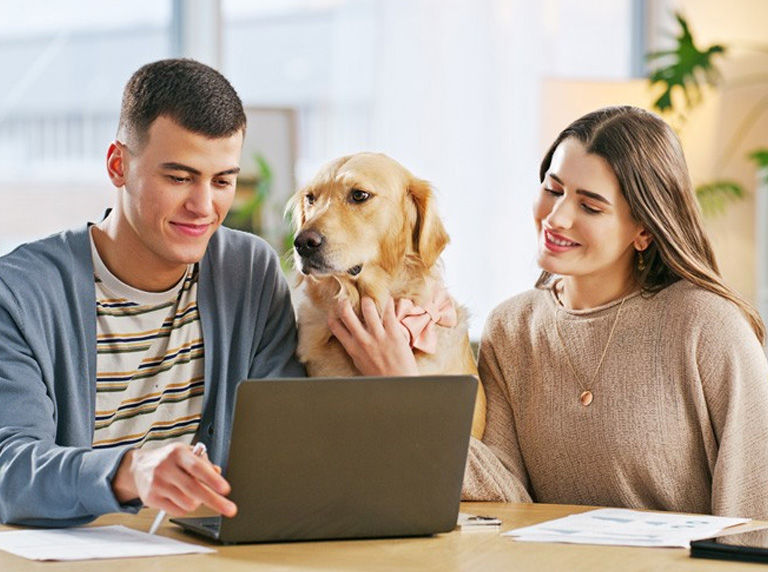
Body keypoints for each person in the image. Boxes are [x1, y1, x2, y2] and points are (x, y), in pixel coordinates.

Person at [334, 106, 768, 521]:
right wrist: (403, 388)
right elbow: (502, 494)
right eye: (553, 189)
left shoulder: (707, 326)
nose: (555, 218)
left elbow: (756, 509)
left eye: (590, 206)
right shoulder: (512, 327)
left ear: (644, 230)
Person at [0, 59, 304, 527]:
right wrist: (131, 471)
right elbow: (10, 468)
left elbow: (290, 442)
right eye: (179, 178)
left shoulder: (251, 272)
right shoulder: (19, 293)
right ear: (119, 165)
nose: (204, 207)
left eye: (223, 181)